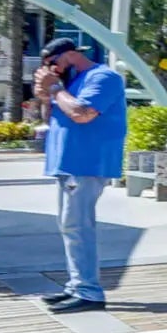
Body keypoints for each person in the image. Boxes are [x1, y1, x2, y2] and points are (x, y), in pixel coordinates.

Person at [34, 38, 127, 314]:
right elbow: (52, 116)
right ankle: (77, 286)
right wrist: (45, 95)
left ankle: (88, 291)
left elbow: (82, 113)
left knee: (78, 226)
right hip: (68, 164)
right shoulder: (71, 83)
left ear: (72, 55)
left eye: (54, 63)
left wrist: (55, 88)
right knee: (70, 226)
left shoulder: (104, 77)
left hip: (87, 163)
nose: (52, 69)